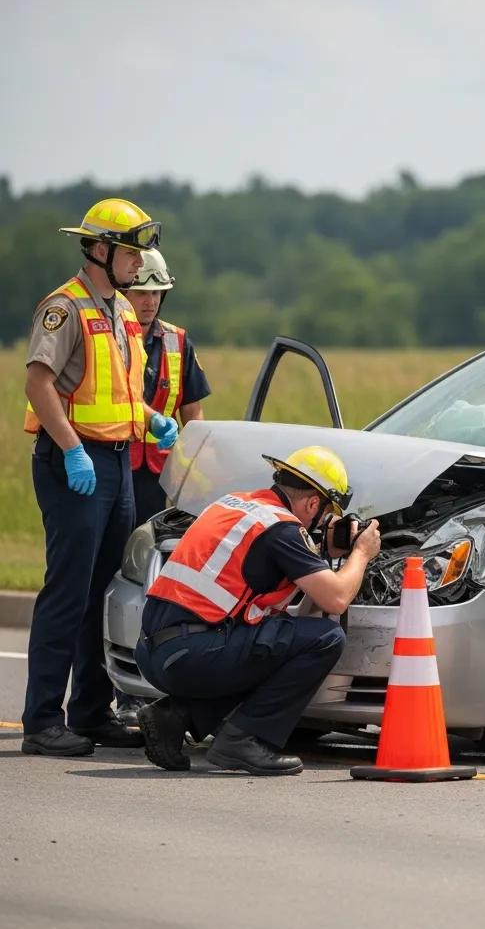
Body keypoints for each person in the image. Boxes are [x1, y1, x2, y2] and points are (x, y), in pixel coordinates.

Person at [22, 198, 179, 758]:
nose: (141, 265)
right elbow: (39, 385)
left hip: (117, 460)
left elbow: (120, 390)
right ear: (100, 249)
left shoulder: (117, 311)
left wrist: (151, 419)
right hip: (75, 462)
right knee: (67, 589)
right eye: (132, 254)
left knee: (101, 589)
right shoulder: (64, 308)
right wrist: (71, 450)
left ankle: (88, 712)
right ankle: (42, 719)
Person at [135, 445, 381, 776]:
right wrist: (361, 554)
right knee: (328, 638)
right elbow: (336, 600)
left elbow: (300, 623)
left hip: (158, 651)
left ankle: (175, 718)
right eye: (323, 514)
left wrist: (318, 557)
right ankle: (243, 739)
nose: (319, 524)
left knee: (286, 642)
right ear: (312, 502)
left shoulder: (238, 503)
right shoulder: (282, 529)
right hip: (189, 653)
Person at [124, 249, 211, 527]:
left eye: (156, 293)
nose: (150, 302)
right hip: (117, 463)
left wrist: (194, 465)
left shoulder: (179, 341)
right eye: (141, 293)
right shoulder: (107, 337)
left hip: (162, 471)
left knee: (152, 546)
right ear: (123, 294)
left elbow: (193, 414)